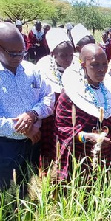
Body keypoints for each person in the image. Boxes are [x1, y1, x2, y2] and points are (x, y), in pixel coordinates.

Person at [0, 22, 55, 216]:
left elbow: (49, 97)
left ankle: (26, 216)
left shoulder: (31, 70)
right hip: (4, 143)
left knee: (27, 182)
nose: (18, 58)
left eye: (22, 52)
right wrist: (20, 127)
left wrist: (32, 114)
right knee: (6, 190)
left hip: (33, 141)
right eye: (12, 53)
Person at [55, 44, 111, 182]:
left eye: (105, 64)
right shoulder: (69, 95)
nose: (101, 69)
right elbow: (63, 130)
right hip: (80, 159)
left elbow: (109, 120)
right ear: (83, 66)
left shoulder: (107, 91)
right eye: (95, 65)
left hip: (106, 155)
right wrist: (89, 137)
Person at [36, 28, 75, 170]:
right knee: (49, 147)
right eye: (64, 55)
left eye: (71, 54)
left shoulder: (76, 66)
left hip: (70, 117)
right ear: (53, 54)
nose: (68, 59)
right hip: (50, 118)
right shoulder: (43, 67)